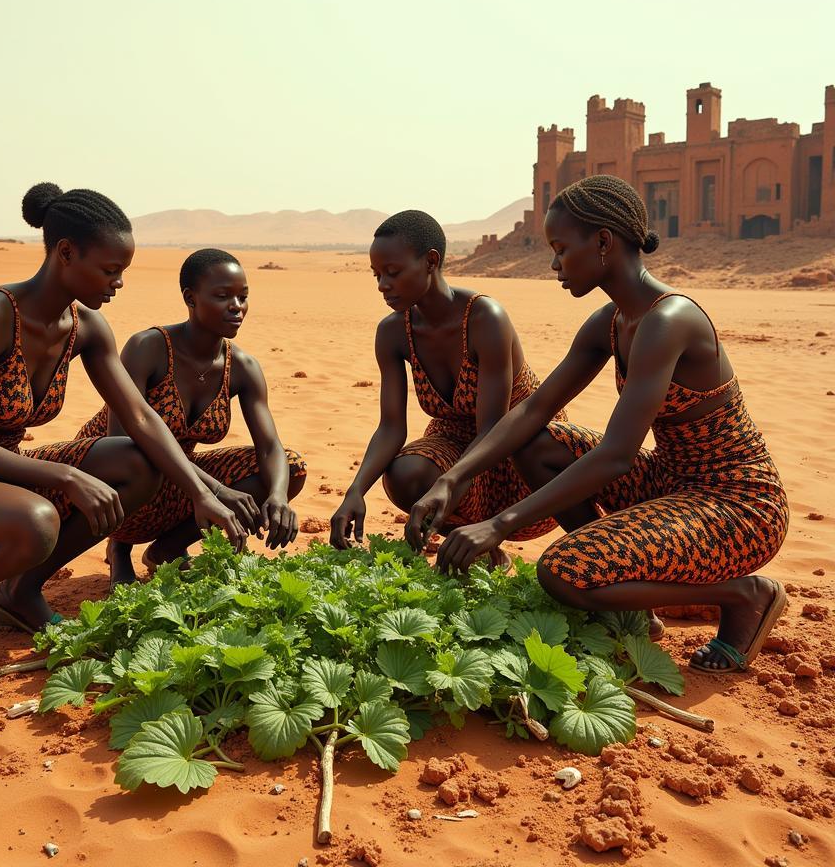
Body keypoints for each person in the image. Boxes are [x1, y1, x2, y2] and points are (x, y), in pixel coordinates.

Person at [406, 175, 789, 673]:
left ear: (604, 242)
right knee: (539, 444)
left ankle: (743, 595)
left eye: (562, 249)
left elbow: (616, 455)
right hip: (669, 480)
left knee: (563, 572)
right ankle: (627, 593)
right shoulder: (611, 320)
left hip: (737, 502)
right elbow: (532, 411)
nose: (554, 264)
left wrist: (499, 524)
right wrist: (450, 479)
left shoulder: (668, 320)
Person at [0, 183, 242, 673]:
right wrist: (66, 477)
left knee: (136, 462)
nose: (118, 283)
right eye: (111, 270)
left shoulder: (86, 326)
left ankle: (20, 592)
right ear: (66, 254)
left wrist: (201, 492)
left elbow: (139, 418)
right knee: (36, 520)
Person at [329, 209, 564, 563]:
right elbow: (391, 426)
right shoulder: (393, 332)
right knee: (405, 473)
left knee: (453, 475)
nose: (382, 285)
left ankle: (483, 540)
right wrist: (355, 491)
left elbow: (491, 428)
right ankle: (476, 548)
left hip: (521, 452)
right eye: (377, 275)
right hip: (454, 444)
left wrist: (448, 482)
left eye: (393, 273)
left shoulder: (485, 318)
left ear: (430, 261)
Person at [78, 248, 307, 587]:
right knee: (135, 462)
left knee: (289, 466)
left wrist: (277, 494)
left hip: (180, 472)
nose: (237, 306)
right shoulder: (148, 348)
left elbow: (270, 446)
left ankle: (166, 549)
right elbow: (125, 440)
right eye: (222, 296)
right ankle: (120, 548)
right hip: (116, 467)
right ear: (190, 297)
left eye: (243, 297)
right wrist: (215, 489)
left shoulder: (242, 367)